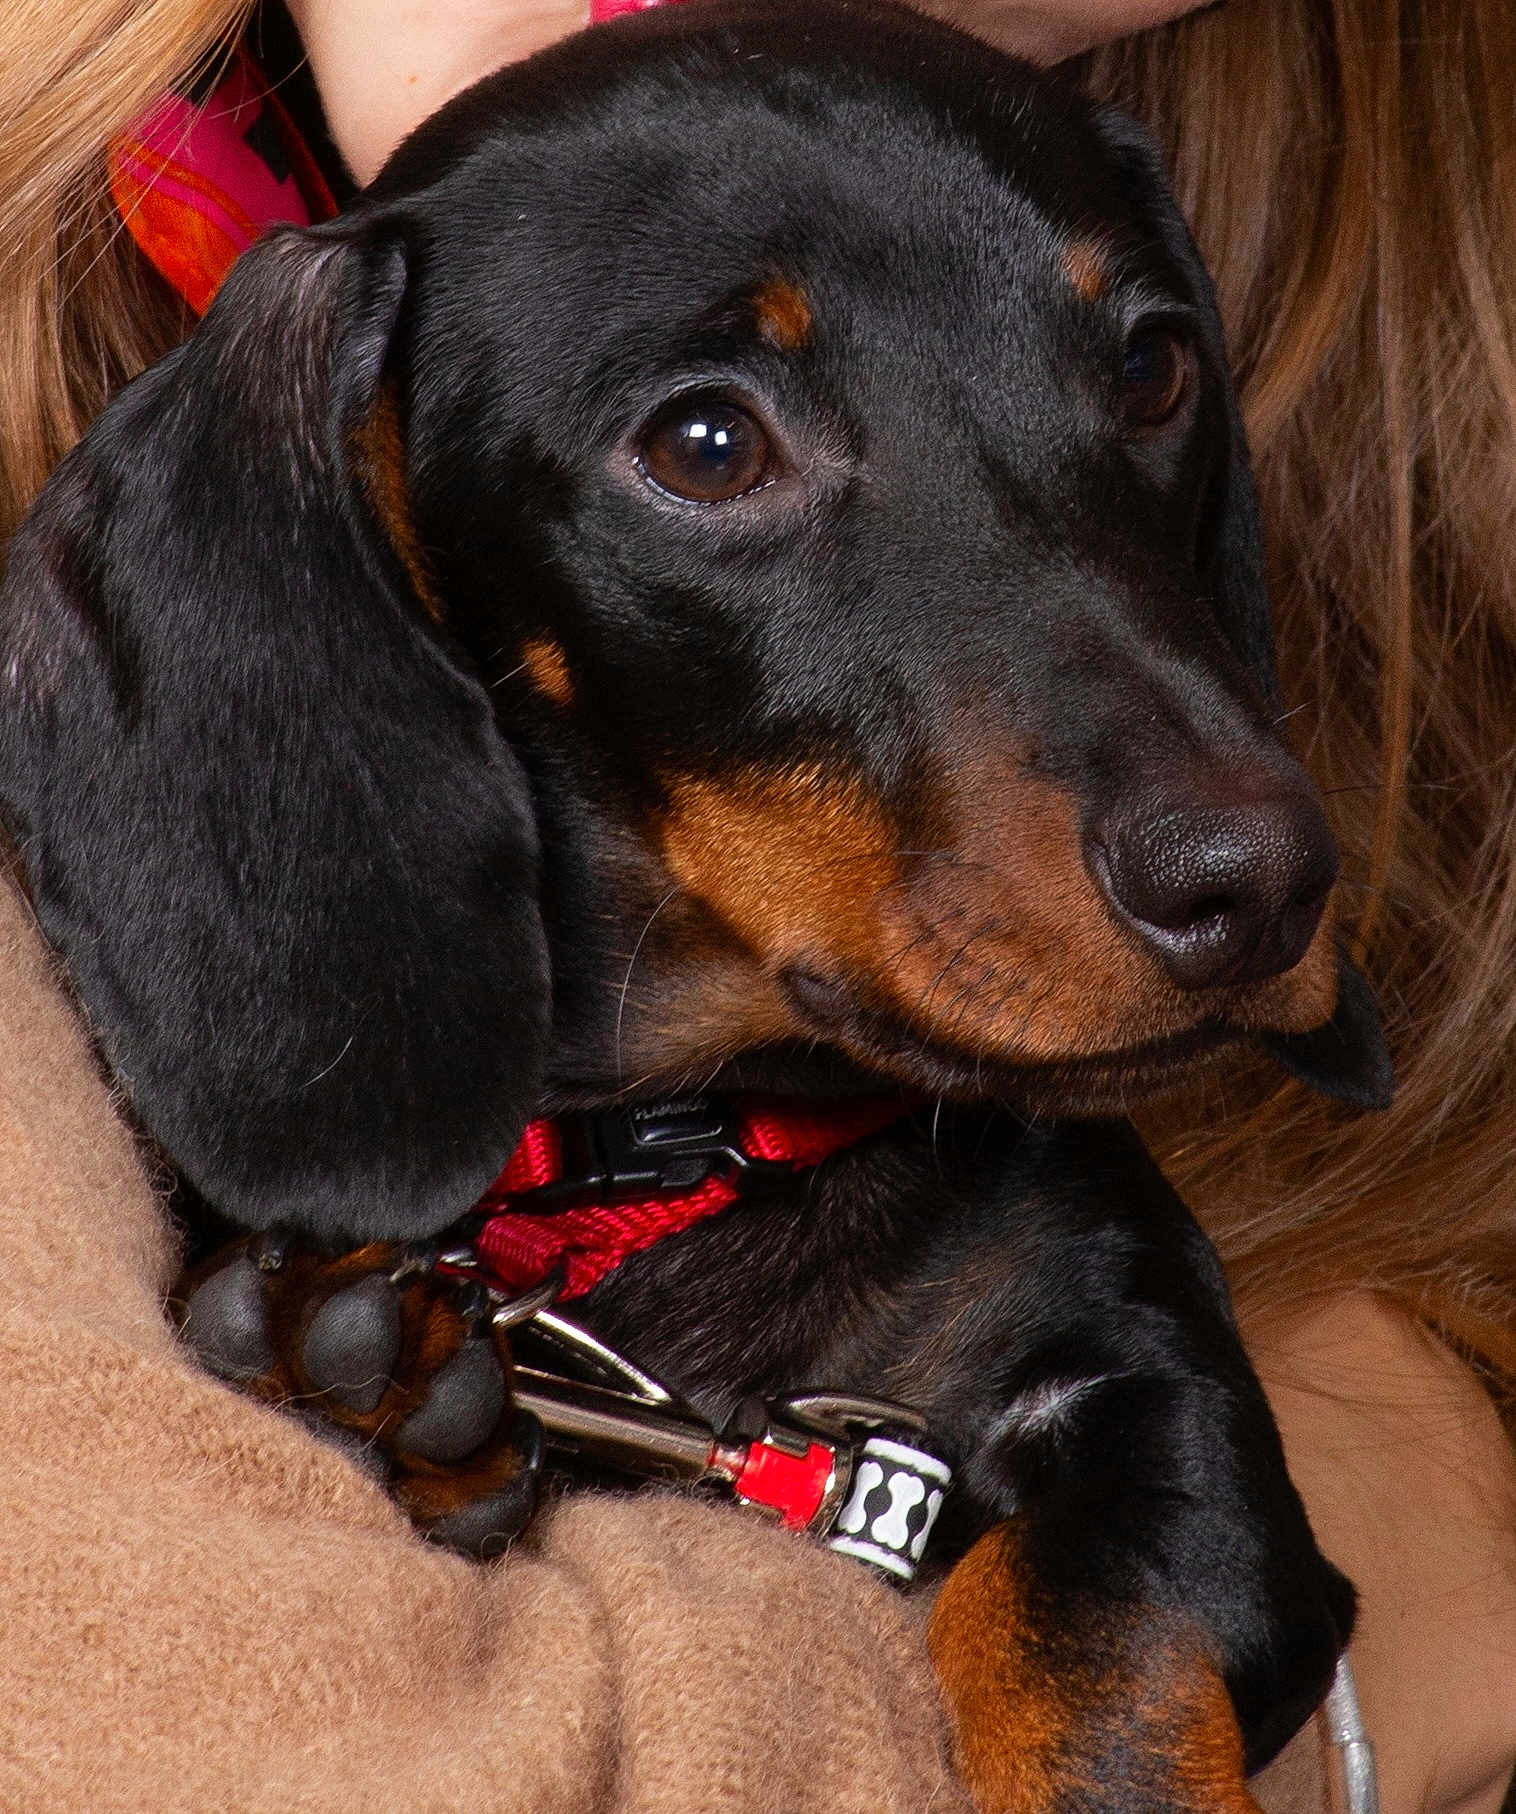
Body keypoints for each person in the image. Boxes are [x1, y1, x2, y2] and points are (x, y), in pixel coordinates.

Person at [2, 1, 1514, 1808]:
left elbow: (1200, 1538)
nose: (1233, 831)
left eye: (1132, 380)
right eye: (714, 446)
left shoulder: (1016, 1225)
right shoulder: (326, 431)